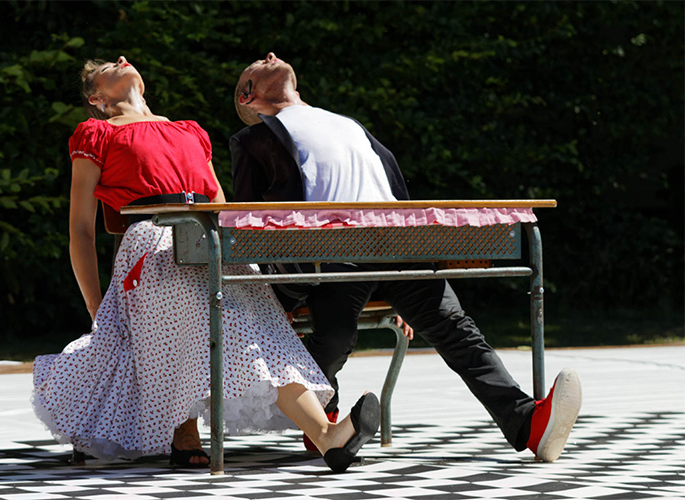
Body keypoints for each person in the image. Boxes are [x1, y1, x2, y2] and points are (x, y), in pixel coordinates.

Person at [31, 56, 380, 473]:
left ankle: (328, 436)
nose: (123, 61)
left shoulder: (188, 131)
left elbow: (219, 203)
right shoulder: (96, 133)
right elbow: (81, 231)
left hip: (211, 237)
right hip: (153, 240)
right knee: (205, 315)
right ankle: (184, 432)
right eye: (108, 66)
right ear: (97, 98)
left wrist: (245, 256)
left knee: (262, 328)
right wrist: (96, 307)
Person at [229, 52, 582, 463]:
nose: (270, 55)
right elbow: (252, 226)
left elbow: (395, 195)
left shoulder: (347, 123)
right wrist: (278, 294)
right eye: (256, 64)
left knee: (456, 327)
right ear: (248, 97)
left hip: (396, 249)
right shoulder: (253, 139)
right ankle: (322, 423)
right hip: (328, 256)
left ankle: (528, 425)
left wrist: (414, 257)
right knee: (335, 337)